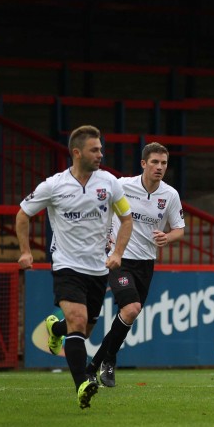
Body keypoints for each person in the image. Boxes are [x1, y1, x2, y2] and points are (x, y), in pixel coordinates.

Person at [16, 125, 133, 409]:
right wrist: (25, 252)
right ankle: (82, 383)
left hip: (98, 268)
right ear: (77, 152)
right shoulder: (53, 185)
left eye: (101, 149)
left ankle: (55, 330)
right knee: (78, 321)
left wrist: (117, 253)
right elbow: (22, 214)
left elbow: (127, 218)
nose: (100, 154)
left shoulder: (110, 183)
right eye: (95, 150)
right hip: (67, 265)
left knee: (83, 329)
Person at [84, 142, 185, 387]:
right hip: (119, 258)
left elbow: (179, 229)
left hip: (146, 263)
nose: (159, 167)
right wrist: (105, 236)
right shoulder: (122, 186)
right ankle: (109, 361)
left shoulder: (169, 195)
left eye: (163, 163)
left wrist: (167, 237)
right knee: (131, 309)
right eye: (154, 162)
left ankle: (94, 366)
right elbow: (100, 208)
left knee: (128, 314)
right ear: (143, 164)